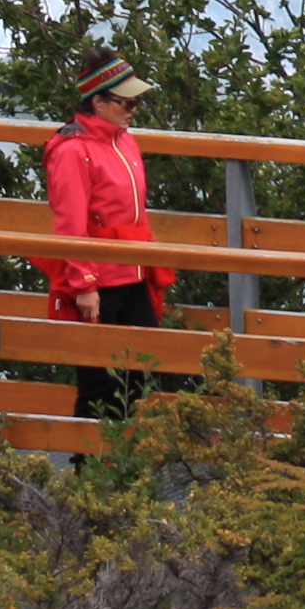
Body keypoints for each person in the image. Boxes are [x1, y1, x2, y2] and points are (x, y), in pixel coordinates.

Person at [43, 48, 174, 418]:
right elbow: (68, 221)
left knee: (141, 372)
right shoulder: (73, 150)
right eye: (125, 102)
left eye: (136, 102)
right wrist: (84, 284)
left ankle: (126, 461)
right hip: (100, 279)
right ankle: (91, 467)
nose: (132, 110)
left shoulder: (123, 140)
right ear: (97, 102)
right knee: (99, 382)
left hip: (133, 270)